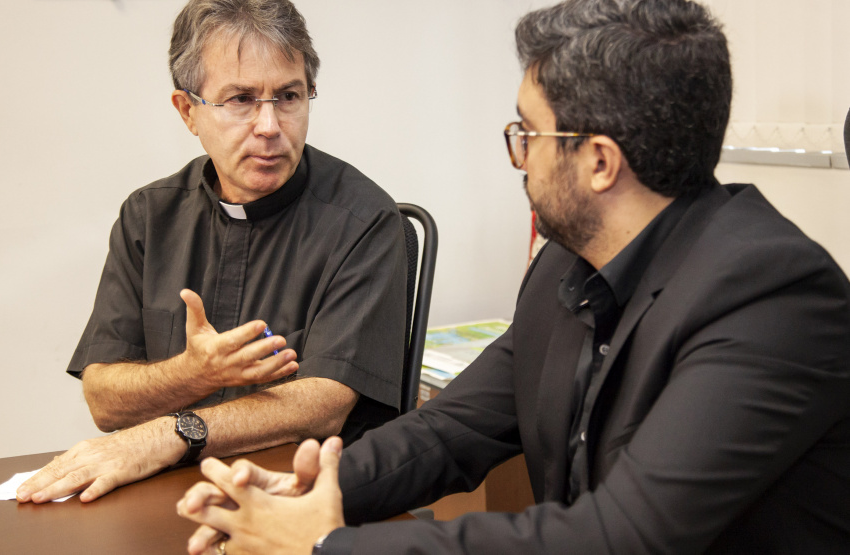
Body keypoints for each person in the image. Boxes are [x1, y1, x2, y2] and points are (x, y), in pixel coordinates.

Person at [176, 0, 850, 553]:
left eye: (527, 133)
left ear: (599, 162)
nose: (519, 156)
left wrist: (324, 542)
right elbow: (452, 430)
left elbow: (621, 536)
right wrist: (310, 490)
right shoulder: (568, 260)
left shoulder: (773, 298)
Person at [15, 0, 406, 505]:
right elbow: (105, 400)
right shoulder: (148, 216)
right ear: (188, 111)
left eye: (288, 96)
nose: (269, 125)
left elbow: (323, 403)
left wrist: (168, 432)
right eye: (240, 99)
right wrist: (194, 374)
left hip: (307, 496)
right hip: (169, 491)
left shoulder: (365, 218)